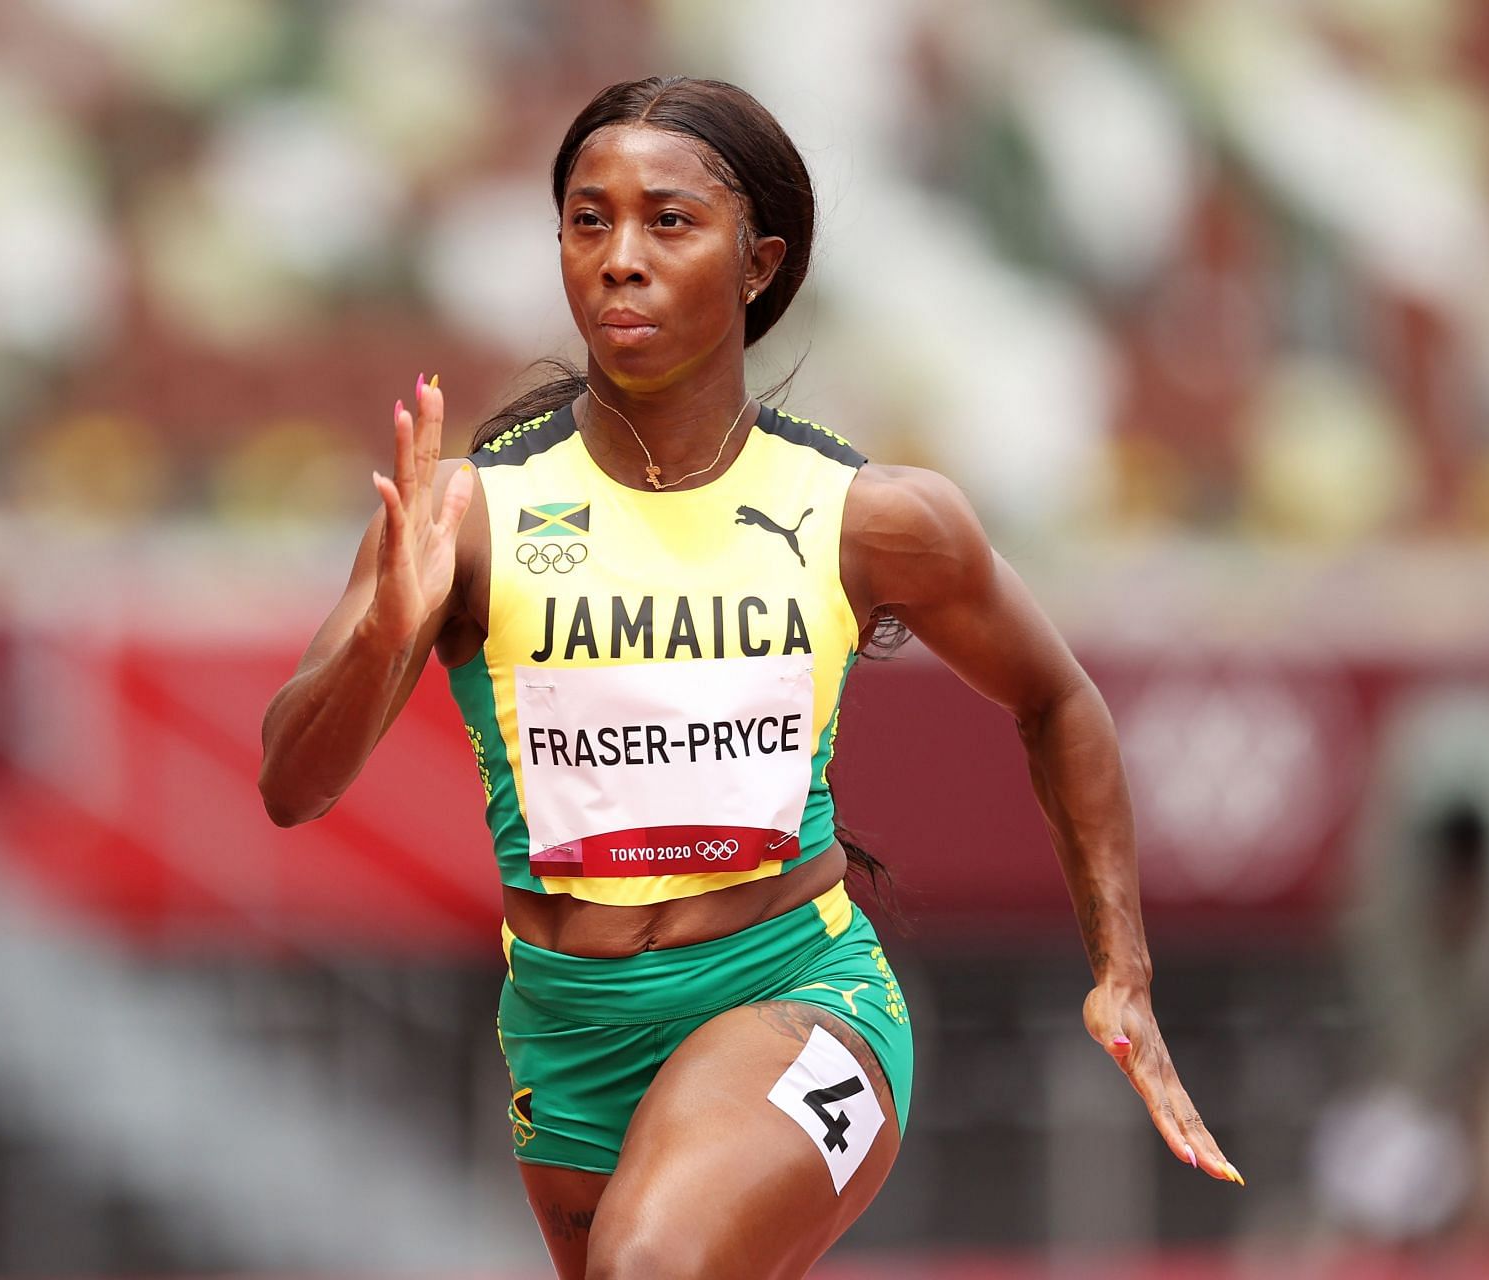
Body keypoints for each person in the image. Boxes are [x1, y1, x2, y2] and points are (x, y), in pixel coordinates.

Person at [258, 75, 1239, 1280]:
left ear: (759, 263)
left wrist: (1123, 970)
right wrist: (382, 634)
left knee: (651, 1264)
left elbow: (1058, 699)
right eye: (587, 220)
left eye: (669, 221)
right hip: (568, 1039)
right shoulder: (463, 517)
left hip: (797, 993)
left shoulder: (872, 519)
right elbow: (291, 784)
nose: (620, 258)